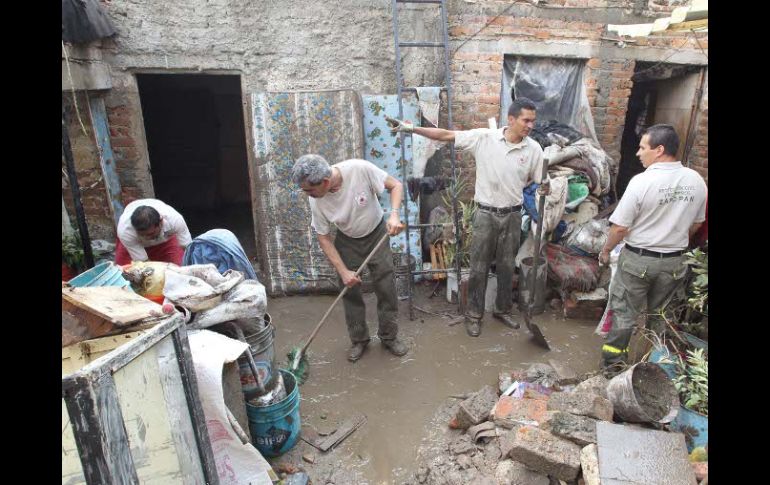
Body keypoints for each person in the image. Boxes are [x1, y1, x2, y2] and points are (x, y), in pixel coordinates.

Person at [386, 97, 548, 337]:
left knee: (506, 267)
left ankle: (502, 310)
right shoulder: (484, 138)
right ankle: (474, 315)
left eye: (533, 121)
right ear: (511, 119)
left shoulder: (533, 149)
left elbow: (539, 180)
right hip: (485, 214)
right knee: (478, 267)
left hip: (513, 215)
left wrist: (545, 187)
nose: (530, 126)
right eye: (526, 120)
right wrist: (411, 128)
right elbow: (444, 135)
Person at [598, 124, 707, 374]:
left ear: (659, 150)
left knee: (624, 316)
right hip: (674, 263)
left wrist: (605, 252)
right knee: (661, 318)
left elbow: (619, 228)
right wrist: (674, 240)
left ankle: (612, 369)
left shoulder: (642, 181)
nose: (638, 153)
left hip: (638, 261)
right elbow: (697, 223)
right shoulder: (696, 181)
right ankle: (652, 369)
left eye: (642, 147)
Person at [291, 155, 409, 362]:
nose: (307, 194)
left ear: (325, 182)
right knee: (349, 290)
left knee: (386, 286)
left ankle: (389, 337)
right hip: (347, 240)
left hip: (377, 233)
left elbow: (395, 185)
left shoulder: (359, 169)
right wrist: (344, 272)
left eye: (309, 189)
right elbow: (324, 237)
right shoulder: (316, 201)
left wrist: (394, 215)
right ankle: (359, 340)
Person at [115, 198, 192, 266]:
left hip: (166, 241)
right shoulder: (125, 231)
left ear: (161, 222)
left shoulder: (175, 220)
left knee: (180, 266)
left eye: (150, 234)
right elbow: (143, 263)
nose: (147, 238)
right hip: (135, 243)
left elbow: (187, 248)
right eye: (142, 235)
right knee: (123, 273)